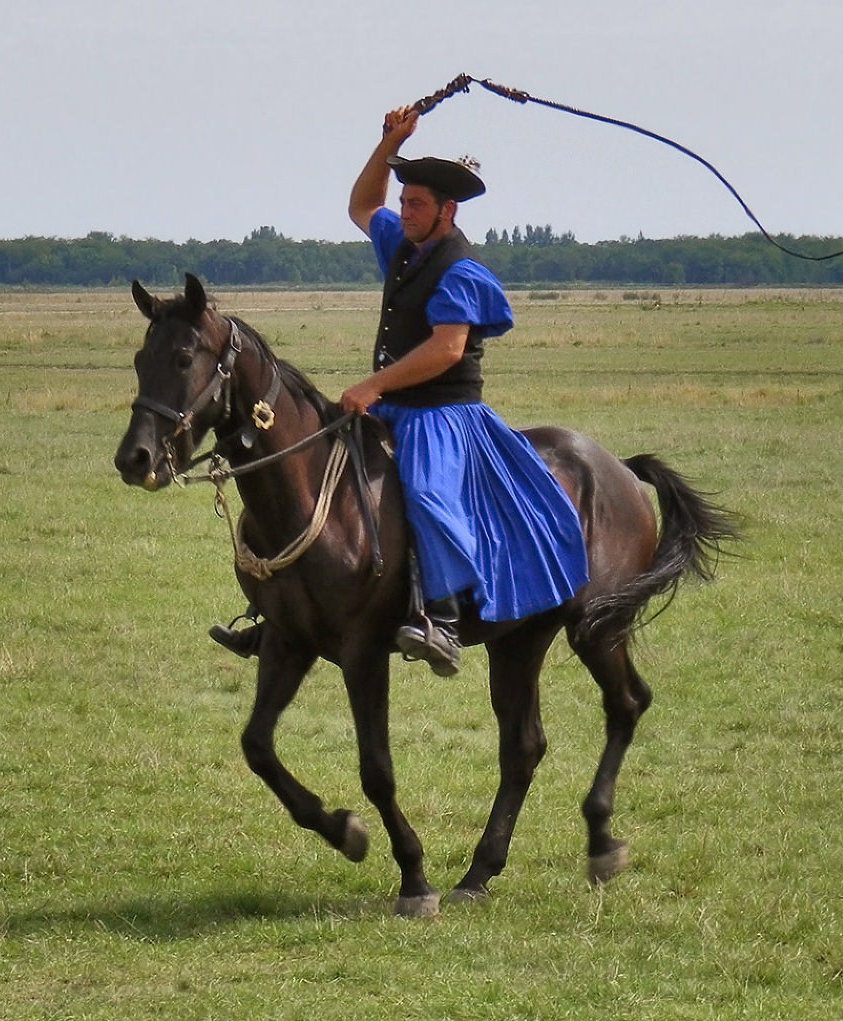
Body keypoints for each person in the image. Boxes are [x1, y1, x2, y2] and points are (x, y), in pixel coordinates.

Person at [211, 104, 588, 675]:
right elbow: (362, 205)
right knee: (316, 479)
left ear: (447, 210)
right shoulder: (403, 244)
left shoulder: (463, 271)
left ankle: (443, 618)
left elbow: (447, 349)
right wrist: (390, 144)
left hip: (443, 417)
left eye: (416, 204)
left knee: (430, 499)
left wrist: (373, 384)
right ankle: (282, 611)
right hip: (391, 407)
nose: (403, 211)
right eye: (405, 200)